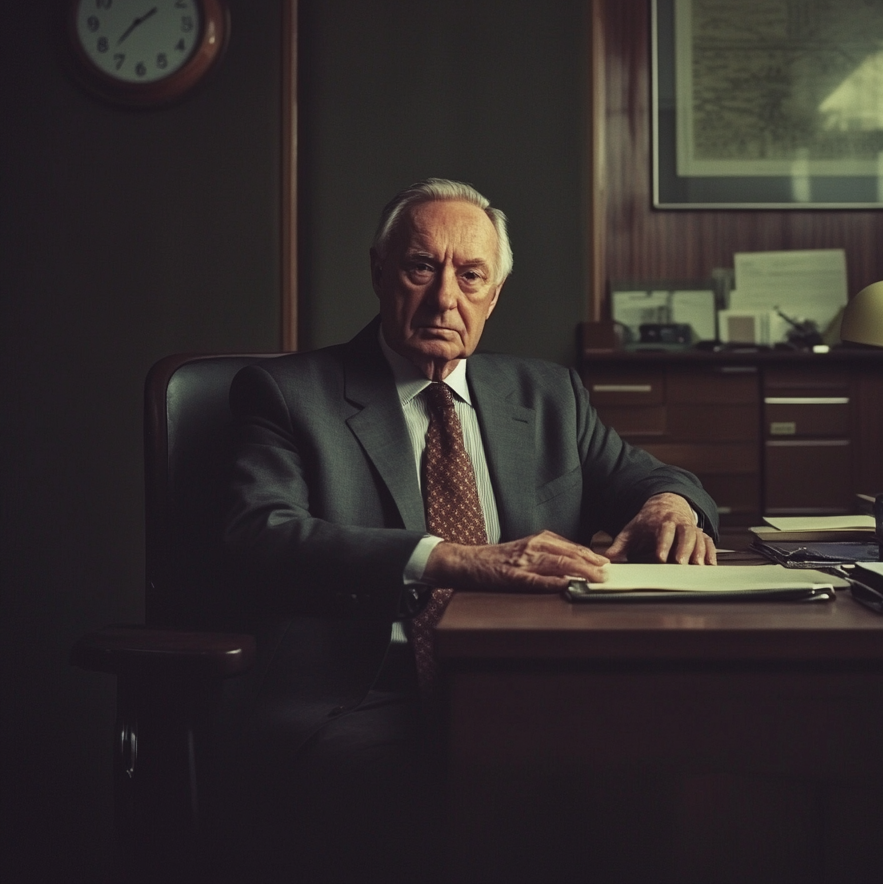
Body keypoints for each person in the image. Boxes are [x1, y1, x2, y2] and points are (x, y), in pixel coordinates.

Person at [223, 178, 718, 882]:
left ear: (495, 292)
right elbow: (261, 534)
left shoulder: (548, 394)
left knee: (664, 779)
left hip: (536, 683)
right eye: (421, 267)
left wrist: (669, 505)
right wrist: (452, 560)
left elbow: (646, 476)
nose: (445, 297)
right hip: (367, 689)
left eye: (470, 274)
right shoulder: (286, 393)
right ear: (379, 272)